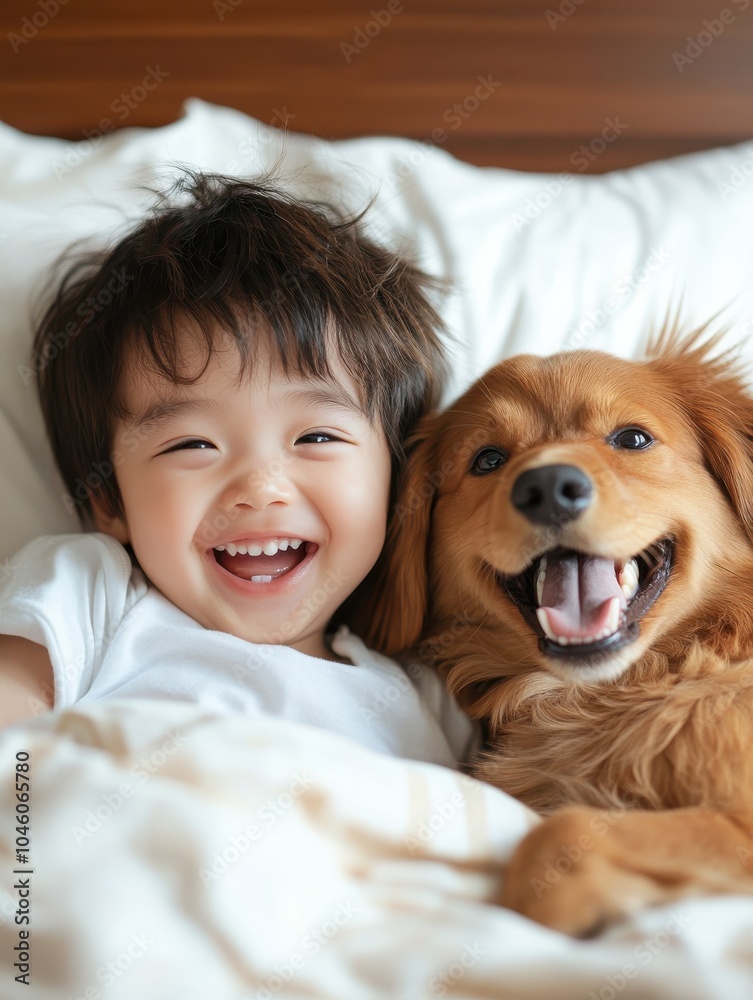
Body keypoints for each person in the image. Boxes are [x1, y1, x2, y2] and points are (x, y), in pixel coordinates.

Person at [0, 171, 475, 767]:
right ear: (109, 501)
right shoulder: (95, 601)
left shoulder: (427, 695)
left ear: (398, 477)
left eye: (317, 435)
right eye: (192, 445)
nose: (259, 488)